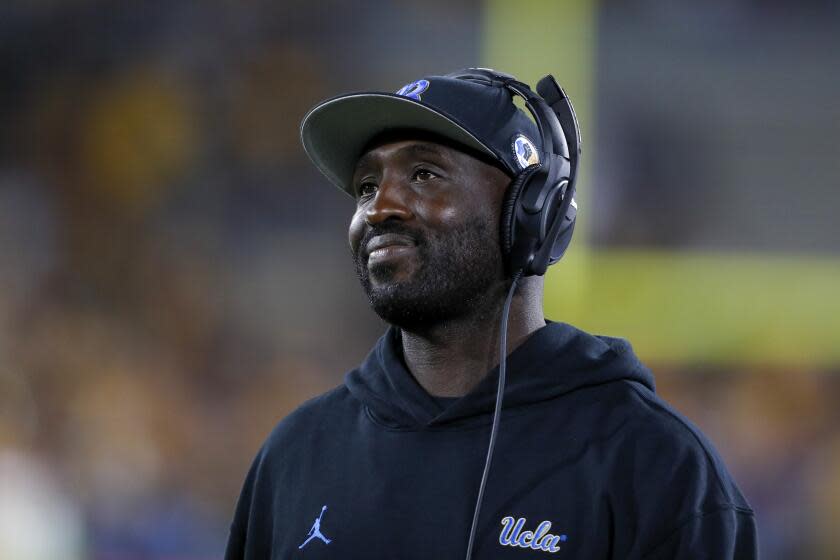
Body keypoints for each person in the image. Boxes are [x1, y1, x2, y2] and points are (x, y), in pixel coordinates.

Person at [224, 68, 758, 559]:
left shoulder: (656, 466)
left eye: (425, 175)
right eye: (367, 186)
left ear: (530, 212)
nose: (380, 206)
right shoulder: (295, 456)